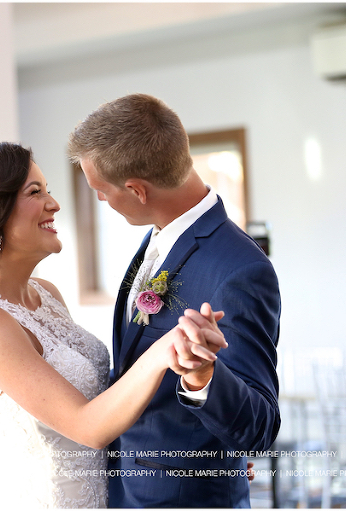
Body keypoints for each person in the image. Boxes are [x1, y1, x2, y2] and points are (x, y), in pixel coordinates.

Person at [0, 142, 227, 508]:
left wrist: (204, 457)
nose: (54, 204)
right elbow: (88, 427)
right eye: (35, 192)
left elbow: (111, 402)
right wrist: (165, 348)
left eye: (48, 190)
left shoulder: (45, 294)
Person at [68, 93, 281, 508]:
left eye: (100, 189)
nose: (100, 199)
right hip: (128, 489)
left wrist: (203, 378)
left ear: (137, 189)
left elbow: (260, 427)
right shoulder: (159, 235)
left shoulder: (239, 269)